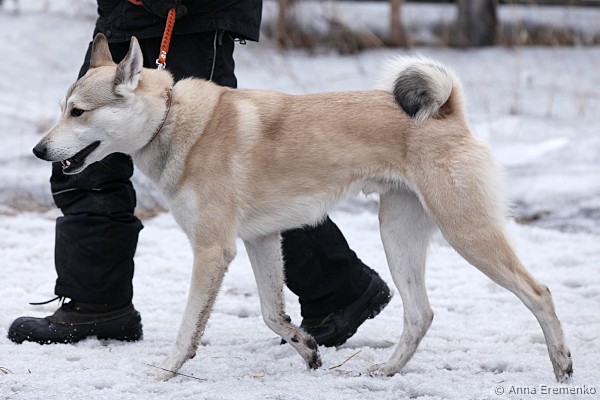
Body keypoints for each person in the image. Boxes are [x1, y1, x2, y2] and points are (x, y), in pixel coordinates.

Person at [8, 0, 390, 348]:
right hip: (125, 14)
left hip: (192, 16)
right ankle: (97, 302)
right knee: (80, 163)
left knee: (241, 177)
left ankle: (338, 289)